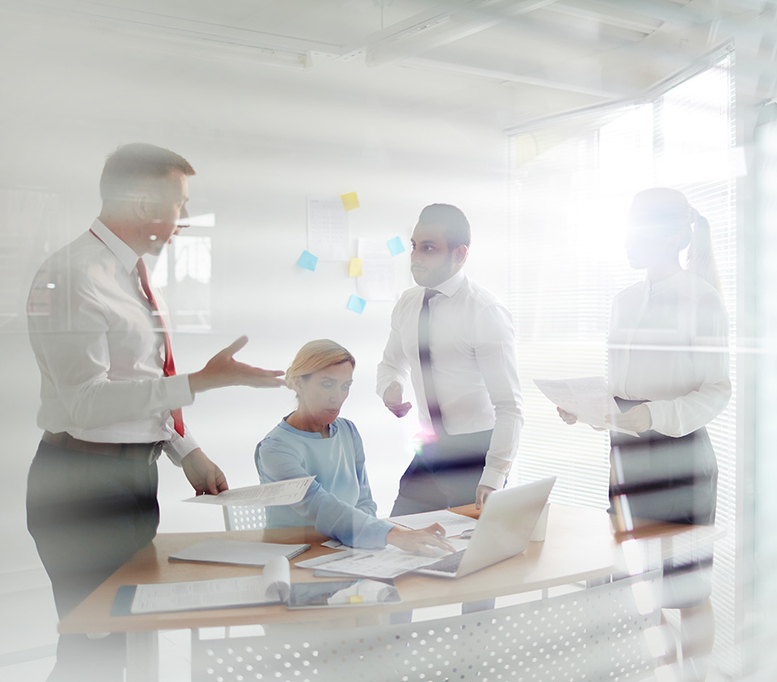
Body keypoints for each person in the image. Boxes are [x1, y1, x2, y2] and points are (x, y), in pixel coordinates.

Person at [25, 143, 286, 682]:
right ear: (144, 204)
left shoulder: (136, 275)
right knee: (91, 649)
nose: (184, 220)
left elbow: (141, 383)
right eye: (180, 204)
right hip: (80, 487)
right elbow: (85, 404)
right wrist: (199, 384)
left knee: (124, 644)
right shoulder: (74, 275)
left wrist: (184, 449)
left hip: (131, 478)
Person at [558, 187, 730, 681]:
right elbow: (622, 390)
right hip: (626, 458)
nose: (626, 239)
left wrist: (654, 416)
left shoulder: (702, 299)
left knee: (688, 592)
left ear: (672, 235)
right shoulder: (624, 300)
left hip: (680, 460)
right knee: (637, 588)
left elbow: (717, 390)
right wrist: (587, 408)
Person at [378, 203, 524, 514]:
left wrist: (495, 474)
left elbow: (510, 407)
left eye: (428, 248)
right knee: (399, 536)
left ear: (460, 254)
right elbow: (391, 362)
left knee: (470, 555)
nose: (415, 258)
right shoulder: (407, 303)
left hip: (475, 452)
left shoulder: (485, 312)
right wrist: (390, 387)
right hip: (429, 446)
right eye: (414, 246)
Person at [255, 339, 454, 553]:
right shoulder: (275, 449)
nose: (337, 397)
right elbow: (322, 508)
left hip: (345, 553)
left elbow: (364, 502)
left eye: (345, 386)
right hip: (294, 557)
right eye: (327, 384)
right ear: (299, 382)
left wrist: (365, 549)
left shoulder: (348, 431)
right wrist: (393, 535)